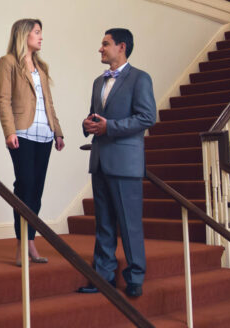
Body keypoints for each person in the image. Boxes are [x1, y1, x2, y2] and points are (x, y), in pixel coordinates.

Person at [77, 28, 156, 298]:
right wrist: (87, 124)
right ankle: (103, 277)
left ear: (121, 47)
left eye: (105, 44)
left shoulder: (140, 78)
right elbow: (95, 115)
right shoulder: (98, 82)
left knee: (130, 224)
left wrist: (109, 127)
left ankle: (135, 278)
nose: (100, 49)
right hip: (100, 161)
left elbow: (147, 118)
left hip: (126, 163)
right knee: (104, 225)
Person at [0, 18, 65, 266]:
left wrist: (58, 131)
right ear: (24, 35)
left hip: (45, 135)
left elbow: (49, 103)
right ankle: (20, 243)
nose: (41, 37)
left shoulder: (42, 67)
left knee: (36, 190)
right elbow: (3, 99)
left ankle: (31, 242)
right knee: (24, 186)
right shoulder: (8, 63)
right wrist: (9, 130)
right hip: (22, 133)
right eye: (37, 32)